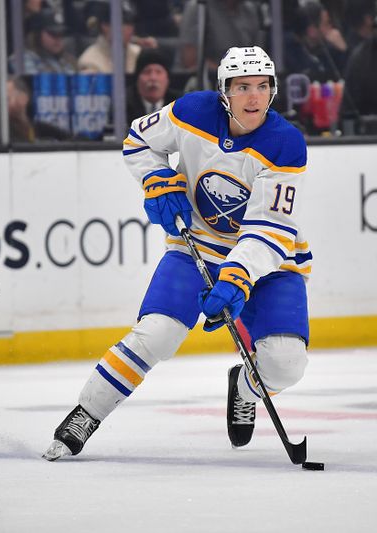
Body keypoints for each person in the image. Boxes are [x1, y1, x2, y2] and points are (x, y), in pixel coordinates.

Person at [44, 46, 311, 461]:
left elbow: (268, 228)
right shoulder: (192, 111)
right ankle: (86, 413)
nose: (253, 97)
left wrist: (238, 275)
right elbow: (138, 141)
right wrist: (156, 177)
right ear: (224, 92)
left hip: (271, 264)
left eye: (262, 86)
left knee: (286, 364)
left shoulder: (285, 144)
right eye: (242, 87)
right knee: (158, 333)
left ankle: (243, 386)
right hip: (197, 248)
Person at [78, 1, 140, 74]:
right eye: (125, 23)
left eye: (132, 23)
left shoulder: (138, 53)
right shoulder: (89, 62)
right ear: (105, 26)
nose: (131, 29)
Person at [10, 9, 77, 74]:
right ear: (37, 35)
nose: (58, 39)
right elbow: (30, 84)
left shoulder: (68, 60)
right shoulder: (22, 59)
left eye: (61, 34)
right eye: (53, 33)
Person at [125, 48, 181, 121]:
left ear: (167, 79)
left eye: (158, 72)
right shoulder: (124, 105)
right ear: (137, 79)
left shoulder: (179, 105)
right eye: (147, 72)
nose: (153, 78)